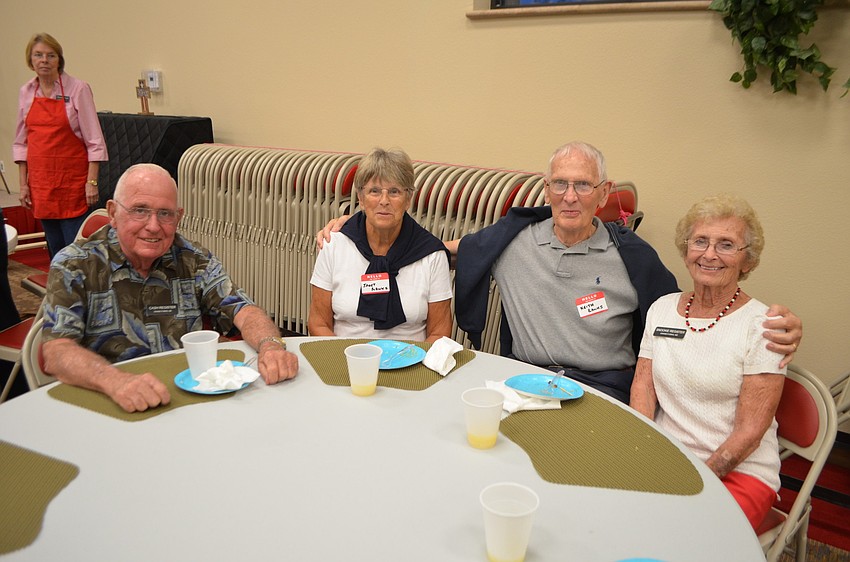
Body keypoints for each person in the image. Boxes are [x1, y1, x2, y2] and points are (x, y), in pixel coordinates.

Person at [318, 141, 802, 403]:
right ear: (546, 188)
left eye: (583, 185)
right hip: (521, 380)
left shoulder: (631, 255)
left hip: (605, 388)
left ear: (604, 191)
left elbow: (681, 314)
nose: (570, 196)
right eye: (560, 184)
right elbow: (432, 248)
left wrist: (763, 323)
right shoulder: (511, 240)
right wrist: (355, 226)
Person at [40, 164, 298, 413]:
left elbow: (244, 310)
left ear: (179, 217)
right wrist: (115, 382)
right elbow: (57, 351)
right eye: (139, 210)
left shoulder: (194, 259)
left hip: (185, 398)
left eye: (165, 213)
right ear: (112, 213)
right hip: (106, 398)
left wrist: (271, 345)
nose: (153, 226)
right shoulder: (76, 264)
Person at [630, 194, 785, 530]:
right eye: (700, 241)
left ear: (747, 261)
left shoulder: (763, 326)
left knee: (680, 536)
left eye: (726, 245)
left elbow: (750, 432)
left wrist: (698, 480)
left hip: (738, 473)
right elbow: (643, 386)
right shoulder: (662, 309)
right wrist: (644, 452)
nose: (710, 254)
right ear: (687, 250)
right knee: (613, 516)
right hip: (667, 457)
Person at [308, 148, 452, 342]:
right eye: (374, 191)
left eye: (394, 192)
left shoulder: (431, 255)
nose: (384, 201)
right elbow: (318, 324)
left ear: (408, 199)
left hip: (410, 360)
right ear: (360, 197)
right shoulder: (335, 244)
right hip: (344, 356)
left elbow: (439, 332)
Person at [13, 32, 108, 258]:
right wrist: (23, 184)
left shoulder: (78, 89)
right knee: (55, 250)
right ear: (30, 60)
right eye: (38, 55)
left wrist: (91, 182)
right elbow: (21, 142)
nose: (44, 60)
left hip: (72, 183)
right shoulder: (26, 92)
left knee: (76, 252)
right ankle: (60, 290)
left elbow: (95, 142)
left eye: (50, 55)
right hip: (41, 184)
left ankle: (81, 292)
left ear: (59, 59)